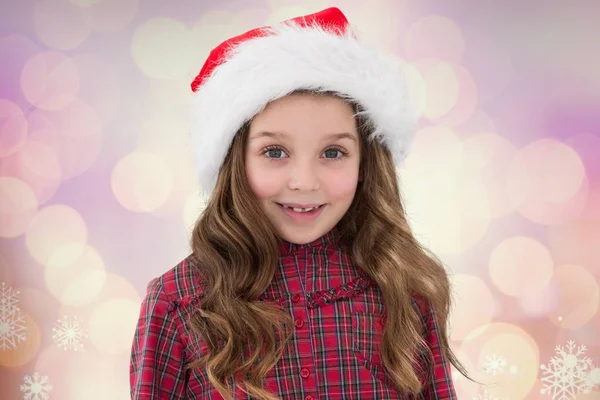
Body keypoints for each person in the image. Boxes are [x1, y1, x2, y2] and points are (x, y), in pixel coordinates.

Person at [130, 7, 468, 400]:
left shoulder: (404, 288)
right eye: (274, 152)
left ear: (365, 164)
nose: (305, 182)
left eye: (333, 152)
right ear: (236, 160)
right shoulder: (179, 301)